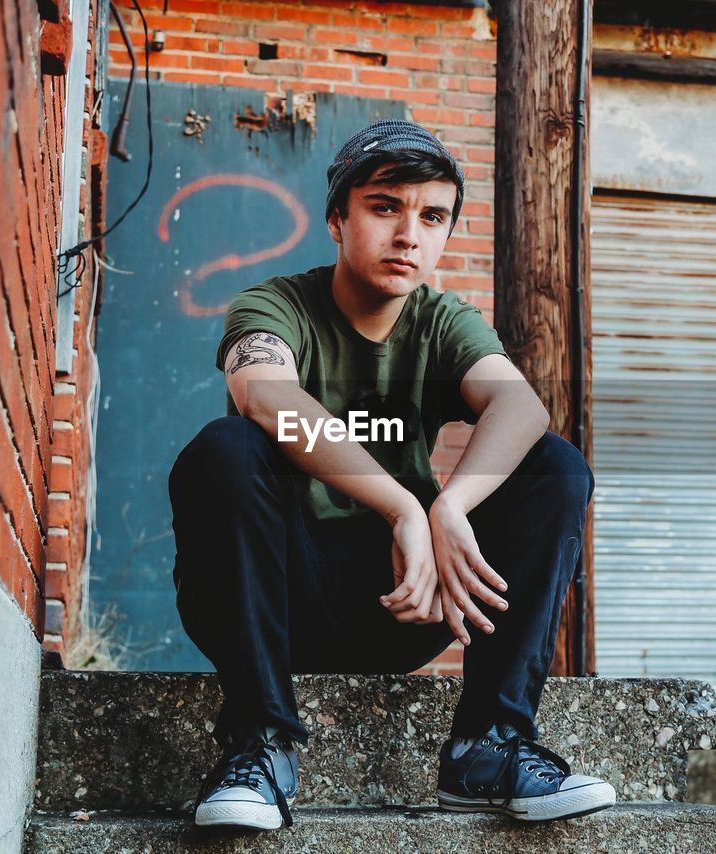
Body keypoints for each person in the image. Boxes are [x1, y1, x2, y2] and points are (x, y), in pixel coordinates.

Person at [167, 119, 613, 832]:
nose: (410, 234)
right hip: (276, 598)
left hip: (405, 603)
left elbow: (519, 404)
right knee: (227, 448)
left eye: (432, 216)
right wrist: (407, 505)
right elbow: (265, 394)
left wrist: (452, 506)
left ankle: (488, 746)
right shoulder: (274, 306)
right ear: (338, 218)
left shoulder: (441, 323)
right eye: (385, 207)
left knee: (555, 467)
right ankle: (259, 745)